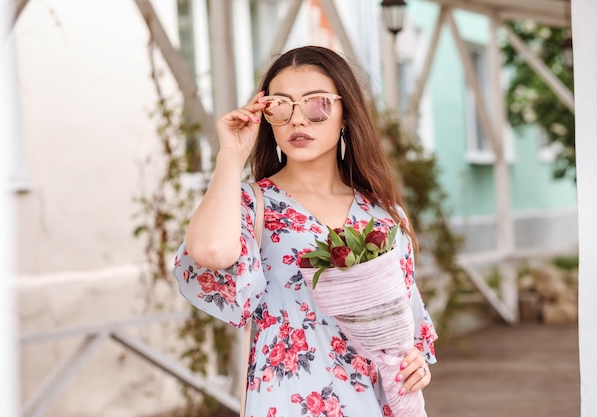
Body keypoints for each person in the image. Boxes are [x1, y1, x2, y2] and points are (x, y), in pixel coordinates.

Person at [174, 45, 437, 417]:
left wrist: (415, 367)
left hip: (375, 402)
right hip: (290, 399)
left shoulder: (383, 213)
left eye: (317, 104)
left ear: (345, 113)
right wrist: (230, 156)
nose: (298, 120)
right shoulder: (252, 204)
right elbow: (211, 252)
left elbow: (405, 329)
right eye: (280, 106)